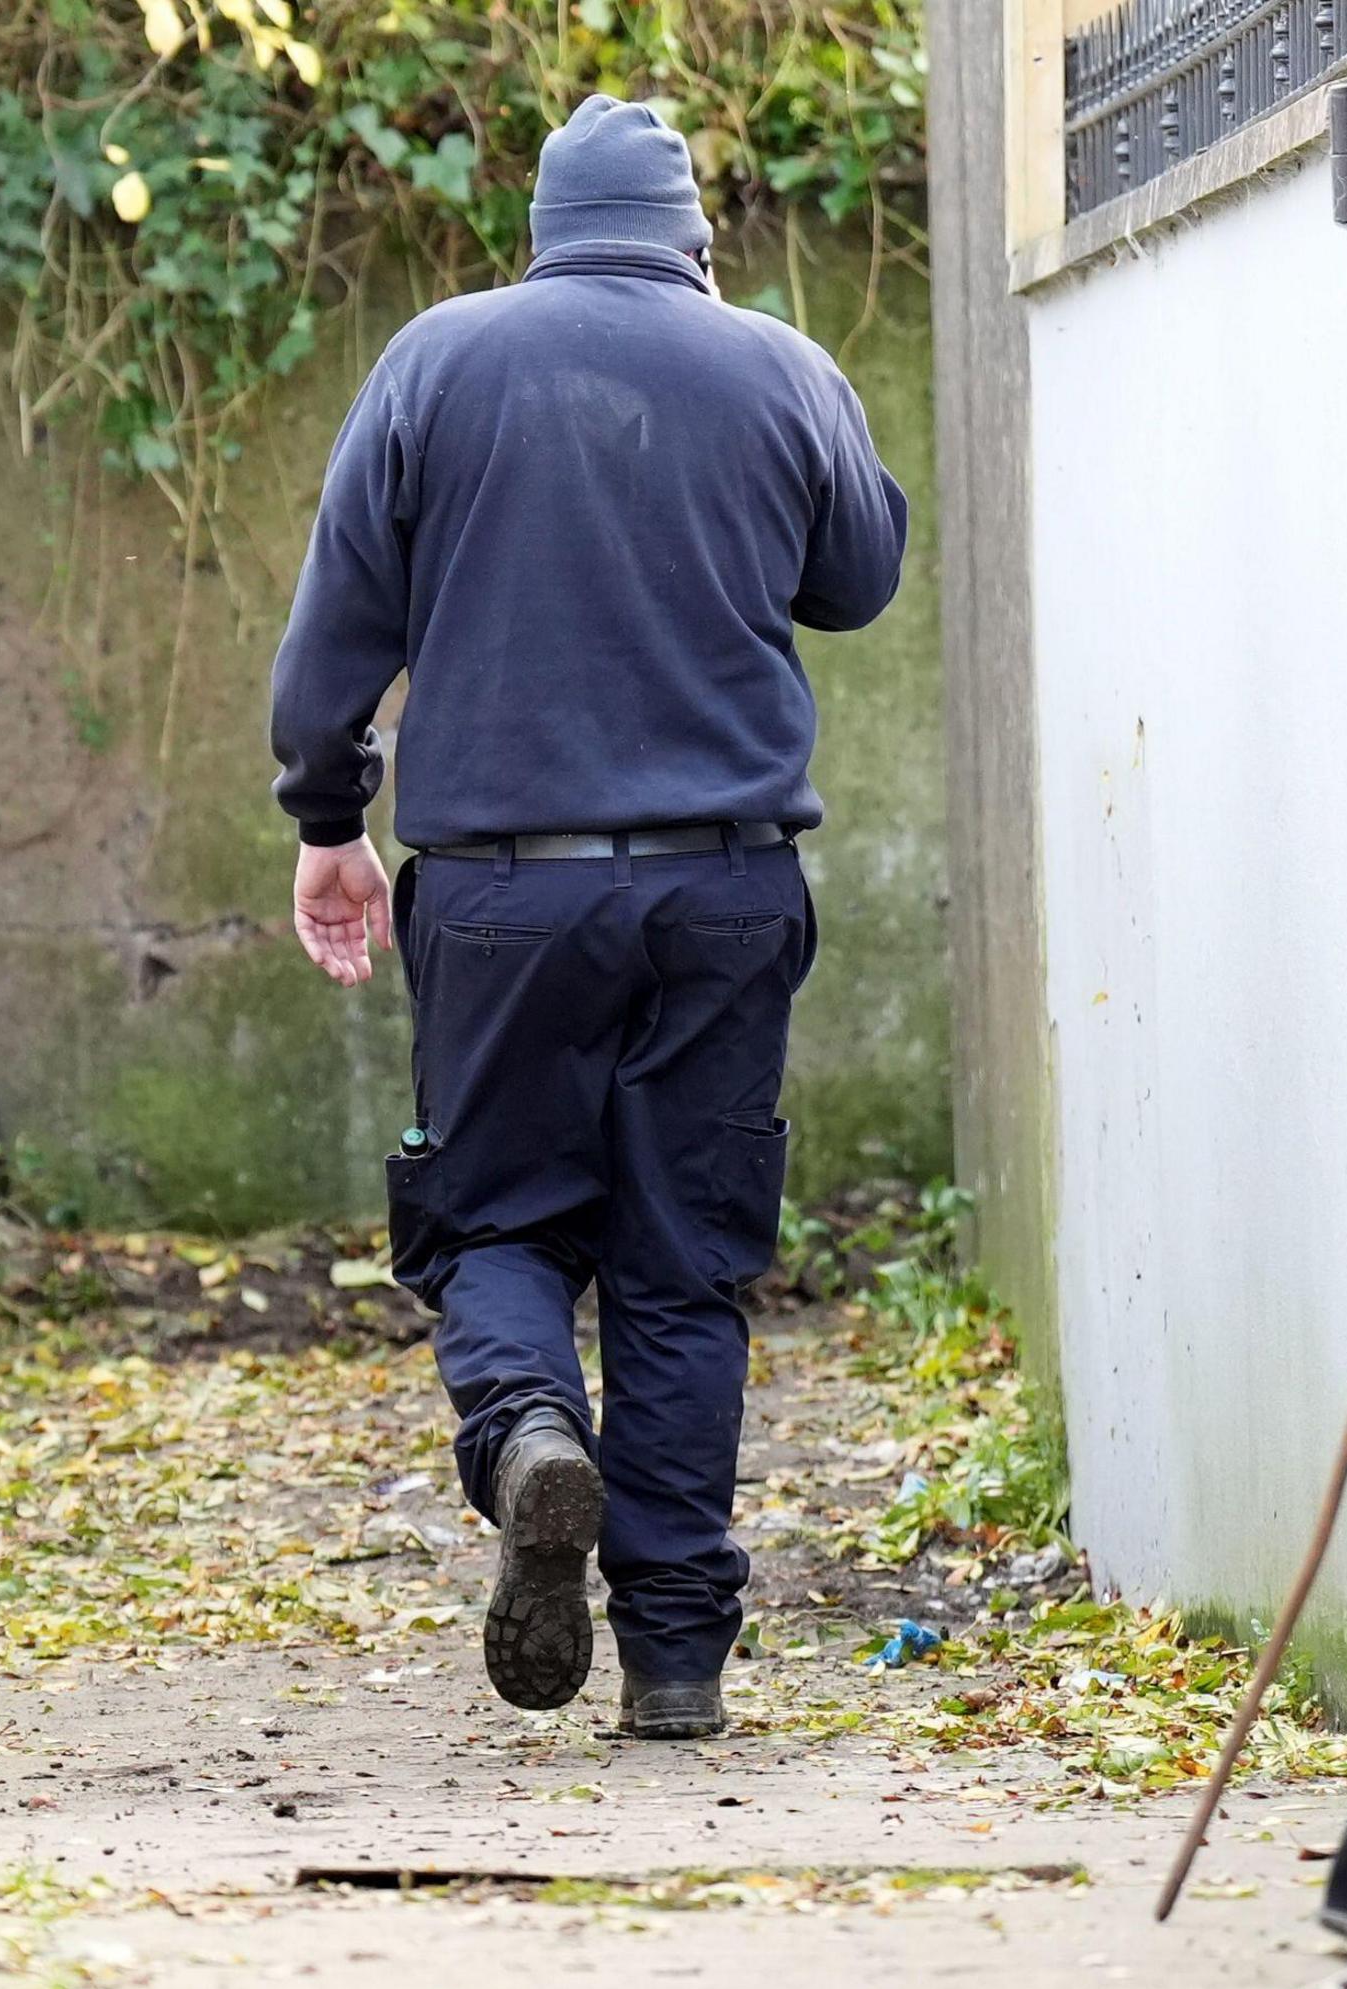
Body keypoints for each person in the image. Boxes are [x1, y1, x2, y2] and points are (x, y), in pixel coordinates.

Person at [266, 94, 908, 1740]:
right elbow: (861, 573)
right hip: (725, 885)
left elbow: (340, 619)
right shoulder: (778, 365)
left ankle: (533, 1434)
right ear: (695, 235)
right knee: (684, 1273)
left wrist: (329, 820)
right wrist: (773, 397)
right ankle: (678, 1666)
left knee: (496, 1227)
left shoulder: (436, 361)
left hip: (499, 894)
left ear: (542, 230)